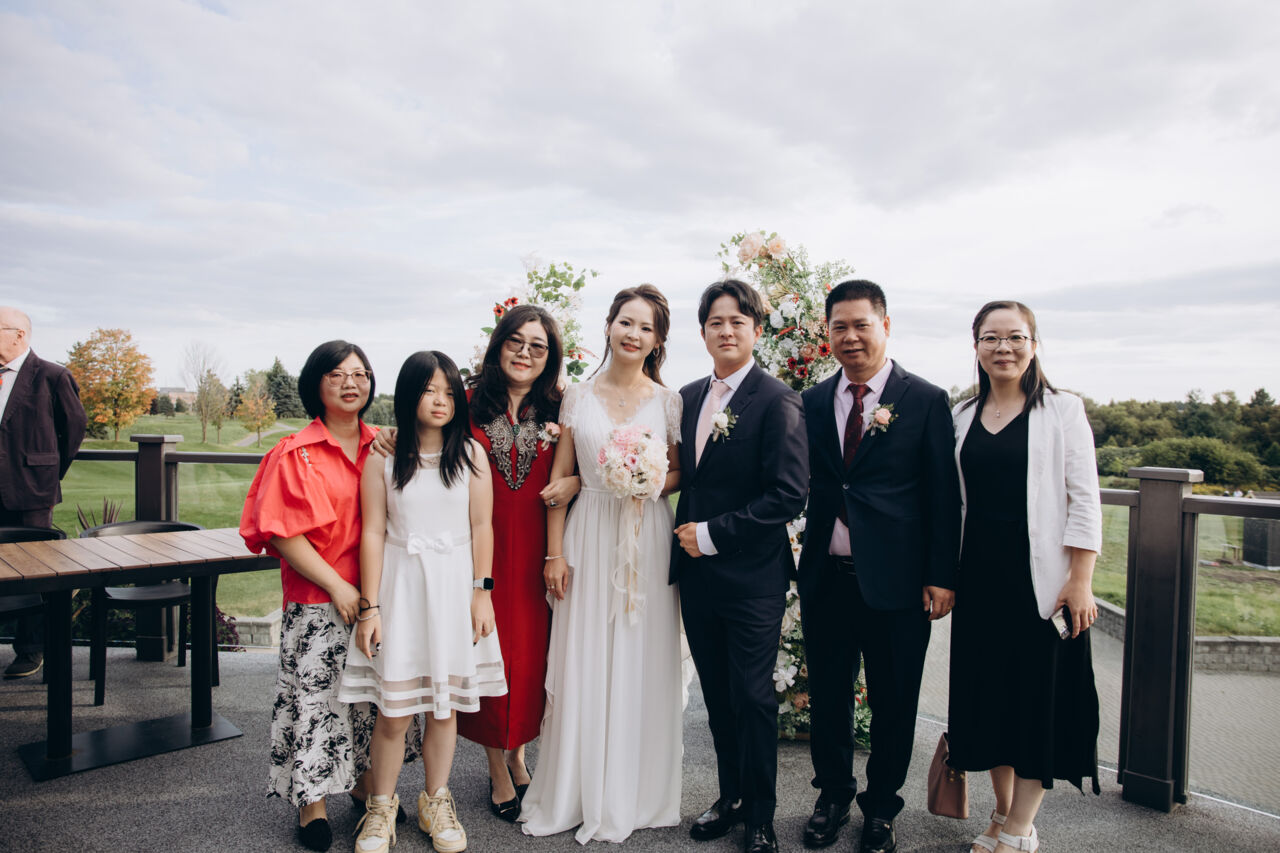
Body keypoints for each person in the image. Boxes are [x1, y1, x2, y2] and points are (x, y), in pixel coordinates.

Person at [369, 305, 580, 820]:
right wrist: (388, 434)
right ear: (498, 344)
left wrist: (574, 480)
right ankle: (495, 768)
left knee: (529, 658)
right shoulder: (464, 402)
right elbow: (421, 428)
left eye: (538, 346)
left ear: (550, 356)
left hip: (539, 546)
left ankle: (518, 753)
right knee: (487, 652)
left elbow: (586, 463)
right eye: (515, 341)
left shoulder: (562, 408)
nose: (525, 353)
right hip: (471, 552)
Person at [797, 280, 960, 853]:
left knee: (895, 701)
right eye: (839, 327)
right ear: (827, 333)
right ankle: (832, 796)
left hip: (899, 583)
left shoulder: (926, 399)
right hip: (826, 578)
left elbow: (944, 496)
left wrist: (941, 575)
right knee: (829, 698)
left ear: (885, 326)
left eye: (861, 325)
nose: (850, 337)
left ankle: (882, 808)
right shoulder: (813, 401)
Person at [520, 284, 684, 844]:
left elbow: (679, 473)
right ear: (609, 325)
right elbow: (559, 479)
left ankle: (637, 792)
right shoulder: (576, 397)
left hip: (646, 533)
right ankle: (575, 789)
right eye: (625, 322)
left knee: (642, 653)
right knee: (584, 654)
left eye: (646, 327)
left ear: (658, 340)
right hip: (588, 532)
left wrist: (646, 479)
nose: (633, 334)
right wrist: (555, 553)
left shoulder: (669, 402)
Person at [241, 341, 418, 853]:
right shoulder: (295, 452)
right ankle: (312, 801)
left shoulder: (384, 446)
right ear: (315, 384)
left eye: (360, 374)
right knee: (317, 700)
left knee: (369, 699)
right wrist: (338, 586)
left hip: (380, 595)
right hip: (320, 597)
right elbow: (281, 533)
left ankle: (365, 786)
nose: (350, 383)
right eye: (337, 374)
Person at [337, 351, 508, 853]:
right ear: (410, 393)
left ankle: (436, 800)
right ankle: (381, 807)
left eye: (449, 392)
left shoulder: (472, 455)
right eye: (430, 390)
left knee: (443, 707)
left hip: (454, 590)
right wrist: (370, 608)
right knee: (392, 712)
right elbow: (372, 532)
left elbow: (482, 527)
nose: (440, 401)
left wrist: (482, 593)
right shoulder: (383, 457)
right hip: (402, 589)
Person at [948, 301, 1102, 853]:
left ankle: (1020, 830)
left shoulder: (1063, 410)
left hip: (1042, 584)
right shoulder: (961, 415)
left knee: (1035, 704)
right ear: (976, 346)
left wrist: (1080, 580)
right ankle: (1001, 812)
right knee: (989, 701)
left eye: (1015, 337)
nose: (1003, 348)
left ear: (1034, 346)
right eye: (991, 337)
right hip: (979, 579)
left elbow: (1085, 499)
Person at [672, 280, 809, 853]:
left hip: (753, 577)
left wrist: (710, 534)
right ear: (702, 331)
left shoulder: (777, 399)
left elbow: (788, 495)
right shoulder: (686, 396)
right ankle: (729, 797)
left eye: (737, 321)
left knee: (752, 697)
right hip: (697, 578)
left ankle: (760, 816)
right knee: (718, 695)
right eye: (715, 322)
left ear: (756, 329)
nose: (726, 331)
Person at [0, 306, 88, 679]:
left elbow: (74, 429)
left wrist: (47, 472)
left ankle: (31, 649)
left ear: (18, 334)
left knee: (32, 571)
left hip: (32, 493)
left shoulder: (52, 376)